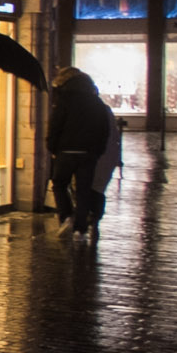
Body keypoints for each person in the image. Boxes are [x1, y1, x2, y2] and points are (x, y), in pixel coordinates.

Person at [47, 67, 111, 237]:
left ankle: (66, 216)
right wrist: (98, 151)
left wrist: (52, 147)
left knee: (60, 184)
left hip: (65, 151)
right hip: (88, 153)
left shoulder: (64, 100)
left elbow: (55, 125)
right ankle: (80, 229)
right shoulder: (97, 103)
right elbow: (104, 129)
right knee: (83, 189)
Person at [87, 116, 125, 231]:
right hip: (105, 156)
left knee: (94, 187)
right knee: (98, 188)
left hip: (97, 155)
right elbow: (116, 137)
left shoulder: (100, 112)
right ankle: (95, 216)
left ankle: (93, 215)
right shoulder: (105, 111)